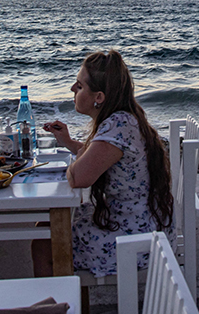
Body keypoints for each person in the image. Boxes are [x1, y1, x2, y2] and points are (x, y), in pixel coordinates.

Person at [34, 50, 174, 277]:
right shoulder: (123, 118)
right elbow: (101, 156)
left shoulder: (118, 124)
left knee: (45, 241)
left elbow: (79, 177)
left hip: (137, 239)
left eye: (79, 86)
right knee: (48, 229)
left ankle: (53, 308)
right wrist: (69, 143)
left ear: (99, 97)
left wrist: (75, 163)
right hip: (141, 222)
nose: (72, 89)